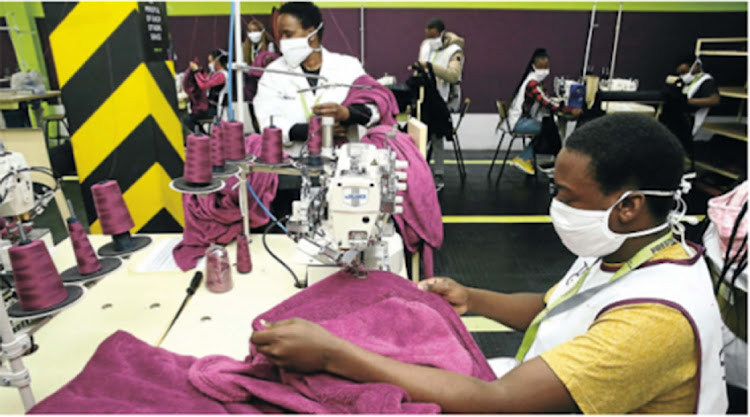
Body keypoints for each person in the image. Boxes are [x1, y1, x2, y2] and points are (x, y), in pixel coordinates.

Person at [249, 113, 728, 413]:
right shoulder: (628, 250)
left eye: (564, 194)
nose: (554, 203)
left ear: (627, 206)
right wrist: (471, 297)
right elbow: (554, 306)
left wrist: (333, 353)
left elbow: (500, 404)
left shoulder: (654, 320)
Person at [254, 1, 381, 158]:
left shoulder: (348, 66)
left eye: (288, 34)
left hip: (344, 162)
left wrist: (346, 114)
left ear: (311, 34)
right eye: (281, 35)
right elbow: (267, 123)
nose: (282, 41)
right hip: (293, 163)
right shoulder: (273, 73)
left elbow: (374, 109)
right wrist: (315, 130)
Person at [506, 48, 581, 176]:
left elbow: (546, 98)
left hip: (522, 120)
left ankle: (531, 158)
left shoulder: (535, 81)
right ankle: (548, 162)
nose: (545, 70)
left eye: (547, 67)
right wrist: (569, 109)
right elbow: (546, 102)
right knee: (549, 129)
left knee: (549, 128)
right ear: (534, 66)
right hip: (519, 123)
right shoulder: (533, 83)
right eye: (542, 67)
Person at [415, 18, 465, 190]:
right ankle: (420, 171)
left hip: (442, 100)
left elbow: (453, 76)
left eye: (433, 36)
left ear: (440, 33)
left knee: (437, 137)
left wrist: (430, 66)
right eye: (427, 36)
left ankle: (439, 174)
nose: (429, 40)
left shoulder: (455, 51)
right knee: (418, 134)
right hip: (424, 97)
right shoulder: (425, 46)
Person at [660, 54, 720, 165]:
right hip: (678, 119)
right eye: (680, 73)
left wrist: (686, 101)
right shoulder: (685, 81)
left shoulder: (706, 81)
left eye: (685, 72)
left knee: (684, 152)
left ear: (696, 66)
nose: (683, 75)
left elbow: (714, 100)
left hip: (691, 121)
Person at [183, 49, 228, 135]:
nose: (209, 64)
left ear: (217, 61)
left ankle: (204, 138)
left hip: (216, 109)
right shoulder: (214, 74)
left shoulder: (222, 75)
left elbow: (204, 84)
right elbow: (202, 80)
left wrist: (196, 71)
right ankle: (204, 137)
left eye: (210, 61)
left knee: (188, 119)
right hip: (210, 107)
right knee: (190, 117)